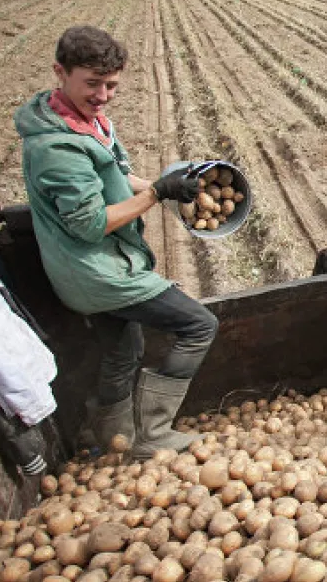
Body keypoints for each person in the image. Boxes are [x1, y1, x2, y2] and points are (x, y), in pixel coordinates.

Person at [17, 25, 217, 461]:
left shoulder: (85, 121)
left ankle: (114, 438)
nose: (103, 94)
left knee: (125, 349)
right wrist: (156, 194)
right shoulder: (56, 148)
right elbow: (89, 225)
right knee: (199, 325)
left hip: (100, 264)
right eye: (92, 83)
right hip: (95, 270)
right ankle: (154, 432)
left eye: (111, 85)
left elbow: (116, 175)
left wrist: (165, 189)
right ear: (60, 72)